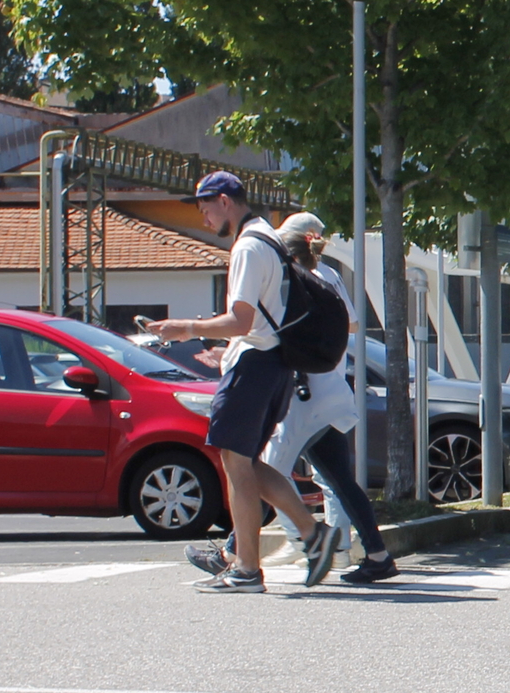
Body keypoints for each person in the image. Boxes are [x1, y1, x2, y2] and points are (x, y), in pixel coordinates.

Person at [137, 172, 324, 593]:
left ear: (224, 201)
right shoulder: (269, 239)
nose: (204, 219)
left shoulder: (248, 246)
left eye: (205, 209)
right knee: (247, 463)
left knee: (236, 464)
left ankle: (248, 569)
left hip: (254, 366)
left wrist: (184, 328)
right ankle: (312, 534)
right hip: (274, 363)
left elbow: (241, 320)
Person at [256, 214, 395, 584]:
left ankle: (286, 543)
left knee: (263, 472)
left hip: (303, 398)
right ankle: (371, 553)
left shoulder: (289, 279)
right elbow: (352, 323)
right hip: (330, 390)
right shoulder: (328, 276)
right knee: (338, 479)